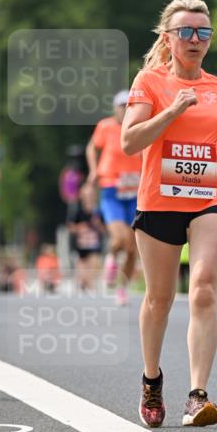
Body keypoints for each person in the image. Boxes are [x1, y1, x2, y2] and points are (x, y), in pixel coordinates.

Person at [121, 0, 217, 429]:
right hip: (160, 201)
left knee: (205, 287)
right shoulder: (149, 82)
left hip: (210, 193)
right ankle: (151, 380)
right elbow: (130, 142)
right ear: (168, 38)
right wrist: (171, 111)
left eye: (203, 32)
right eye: (186, 32)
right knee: (159, 299)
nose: (195, 40)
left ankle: (197, 396)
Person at [86, 91, 142, 305]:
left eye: (130, 105)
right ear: (115, 108)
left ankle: (122, 288)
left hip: (135, 191)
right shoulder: (106, 127)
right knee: (119, 238)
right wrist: (93, 171)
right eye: (122, 106)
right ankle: (110, 259)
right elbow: (92, 147)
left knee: (131, 247)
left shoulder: (140, 128)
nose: (125, 109)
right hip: (111, 188)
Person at [67, 182, 105, 290]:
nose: (89, 197)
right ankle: (83, 284)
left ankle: (91, 288)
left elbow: (104, 229)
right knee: (82, 273)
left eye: (91, 195)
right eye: (87, 195)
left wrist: (98, 225)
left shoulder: (98, 211)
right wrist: (80, 227)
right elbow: (70, 226)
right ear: (82, 196)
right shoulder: (77, 211)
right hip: (81, 245)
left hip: (94, 244)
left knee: (93, 266)